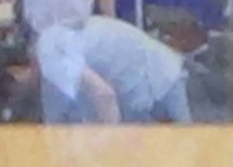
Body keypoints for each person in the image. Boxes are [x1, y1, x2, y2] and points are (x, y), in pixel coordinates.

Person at [19, 15, 192, 123]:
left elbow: (104, 95)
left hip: (158, 80)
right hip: (159, 73)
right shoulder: (55, 38)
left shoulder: (50, 56)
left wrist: (110, 150)